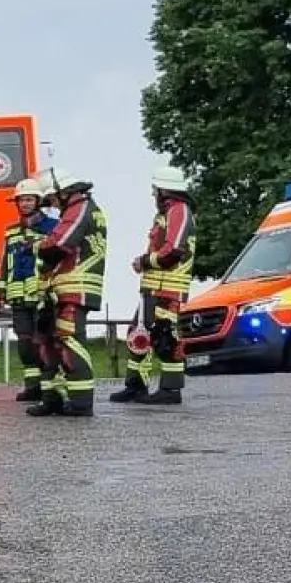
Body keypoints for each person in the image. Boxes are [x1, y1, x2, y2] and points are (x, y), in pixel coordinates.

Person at [112, 166, 197, 404]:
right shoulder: (168, 213)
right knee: (137, 335)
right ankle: (136, 386)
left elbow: (174, 250)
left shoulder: (179, 210)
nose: (153, 195)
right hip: (153, 287)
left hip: (168, 288)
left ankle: (171, 390)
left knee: (165, 337)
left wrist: (144, 261)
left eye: (155, 190)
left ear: (164, 191)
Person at [28, 167, 107, 417]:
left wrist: (37, 246)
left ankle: (81, 402)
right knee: (49, 342)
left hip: (75, 287)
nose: (52, 205)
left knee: (70, 341)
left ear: (62, 192)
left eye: (52, 199)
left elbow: (60, 243)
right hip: (63, 287)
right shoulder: (79, 209)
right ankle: (53, 398)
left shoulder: (80, 208)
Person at [0, 178, 57, 402]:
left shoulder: (53, 227)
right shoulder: (11, 231)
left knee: (43, 342)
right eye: (21, 200)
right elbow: (5, 262)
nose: (25, 204)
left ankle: (49, 387)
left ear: (38, 201)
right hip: (18, 296)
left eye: (29, 199)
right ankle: (32, 387)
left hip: (42, 295)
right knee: (25, 345)